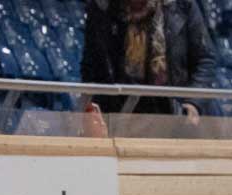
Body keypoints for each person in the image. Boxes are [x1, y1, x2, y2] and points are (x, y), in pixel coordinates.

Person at [82, 0, 216, 125]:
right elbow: (91, 66)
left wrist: (193, 102)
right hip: (119, 114)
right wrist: (92, 109)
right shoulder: (101, 8)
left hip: (172, 112)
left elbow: (204, 59)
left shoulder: (182, 5)